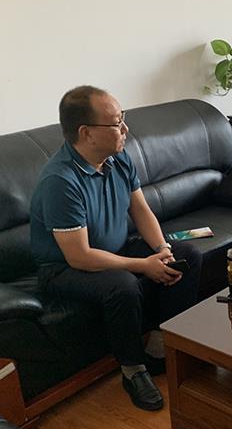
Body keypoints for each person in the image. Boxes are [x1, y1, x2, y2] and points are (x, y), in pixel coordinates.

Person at [30, 86, 203, 411]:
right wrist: (143, 265)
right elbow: (79, 256)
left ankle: (162, 346)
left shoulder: (117, 157)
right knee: (122, 285)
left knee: (187, 256)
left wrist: (162, 249)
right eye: (116, 123)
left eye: (123, 118)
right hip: (64, 269)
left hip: (115, 248)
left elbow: (141, 210)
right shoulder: (60, 181)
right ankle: (133, 370)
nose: (125, 129)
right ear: (86, 133)